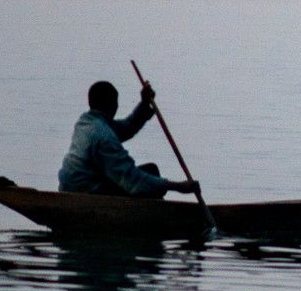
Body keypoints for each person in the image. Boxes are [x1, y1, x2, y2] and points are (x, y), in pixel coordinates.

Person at [58, 79, 201, 200]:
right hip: (87, 192)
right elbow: (131, 178)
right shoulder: (103, 136)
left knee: (150, 170)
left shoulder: (84, 123)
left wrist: (144, 104)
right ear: (113, 105)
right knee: (150, 176)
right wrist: (177, 186)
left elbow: (125, 128)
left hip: (70, 187)